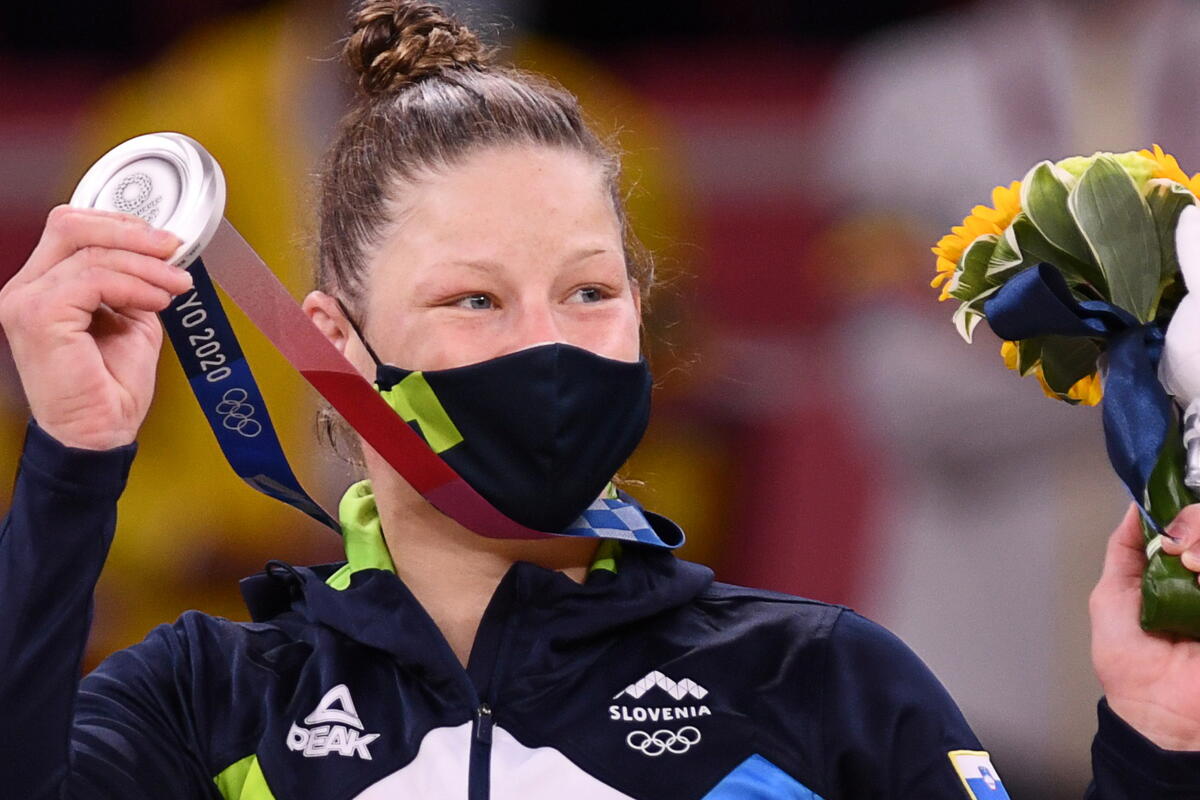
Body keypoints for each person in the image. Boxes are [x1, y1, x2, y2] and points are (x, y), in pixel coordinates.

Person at [2, 1, 1200, 797]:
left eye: (588, 290)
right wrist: (71, 463)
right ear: (339, 345)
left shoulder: (819, 678)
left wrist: (1158, 743)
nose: (547, 343)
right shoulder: (211, 700)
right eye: (475, 298)